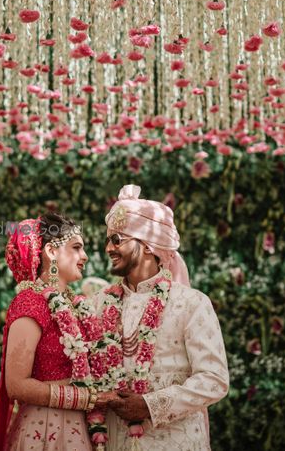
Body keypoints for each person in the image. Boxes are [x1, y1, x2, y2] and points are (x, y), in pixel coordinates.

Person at [92, 185, 229, 451]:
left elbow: (214, 379)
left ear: (148, 246)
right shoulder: (97, 304)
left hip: (176, 442)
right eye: (108, 239)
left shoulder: (191, 303)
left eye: (117, 239)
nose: (109, 248)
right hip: (113, 442)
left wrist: (150, 405)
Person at [0, 213, 116, 451]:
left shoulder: (78, 306)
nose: (84, 256)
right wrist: (87, 397)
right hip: (45, 431)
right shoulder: (30, 303)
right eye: (76, 247)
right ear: (51, 252)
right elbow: (17, 385)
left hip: (82, 429)